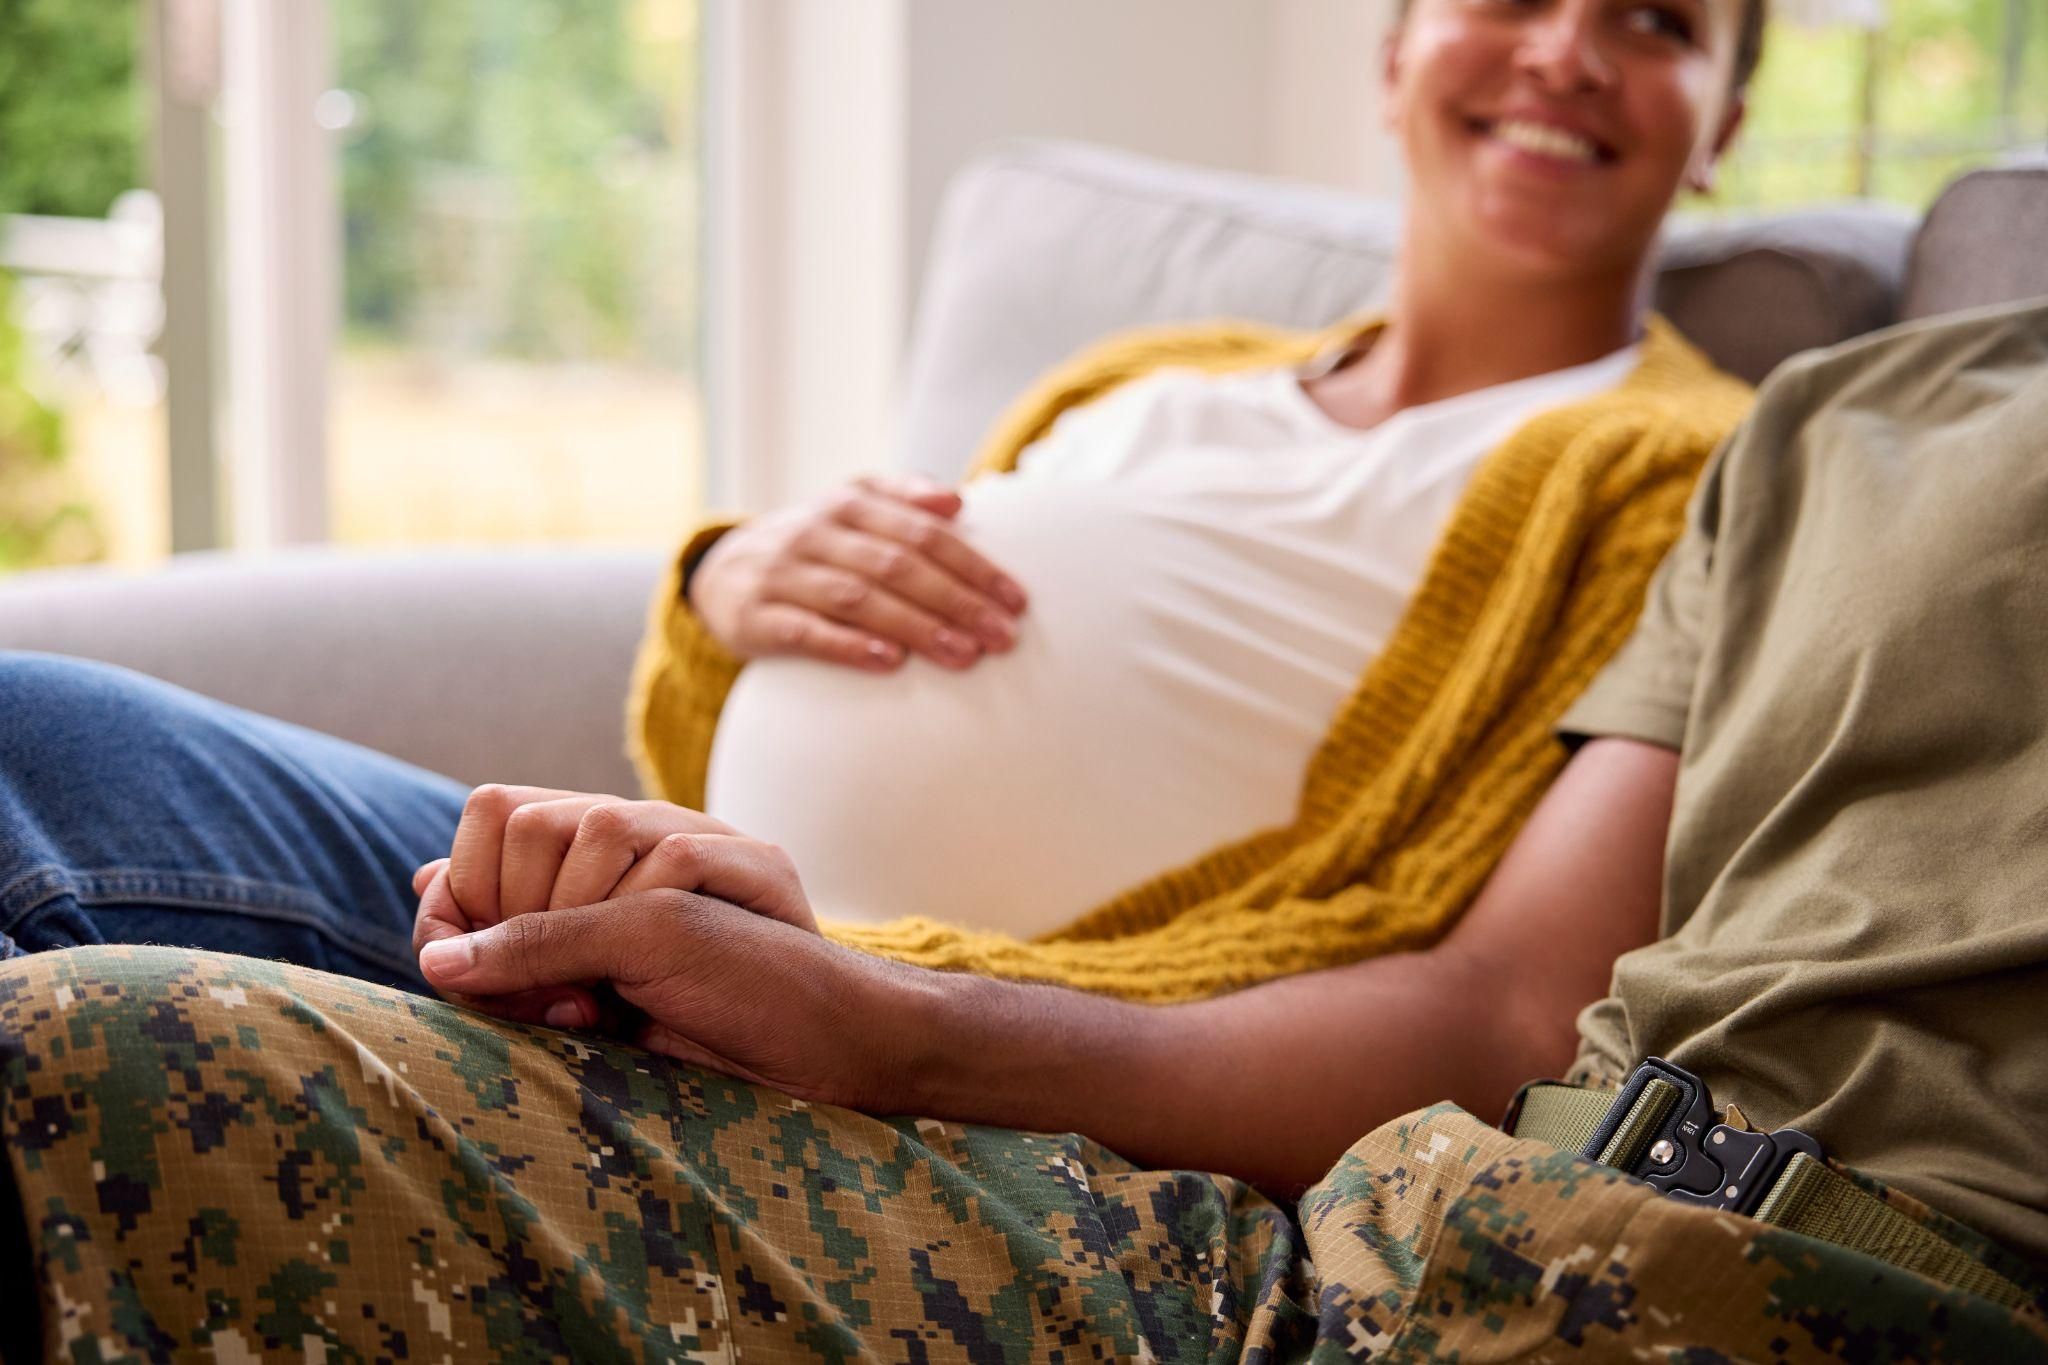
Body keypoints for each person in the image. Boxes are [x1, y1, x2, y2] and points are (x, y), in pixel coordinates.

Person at [3, 297, 2044, 1361]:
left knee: (79, 1033)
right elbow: (1517, 989)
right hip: (788, 928)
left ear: (1712, 119)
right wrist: (726, 597)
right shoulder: (1830, 422)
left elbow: (1400, 922)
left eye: (1652, 21)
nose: (1566, 50)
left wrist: (902, 1004)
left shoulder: (1654, 444)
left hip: (985, 1009)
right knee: (36, 747)